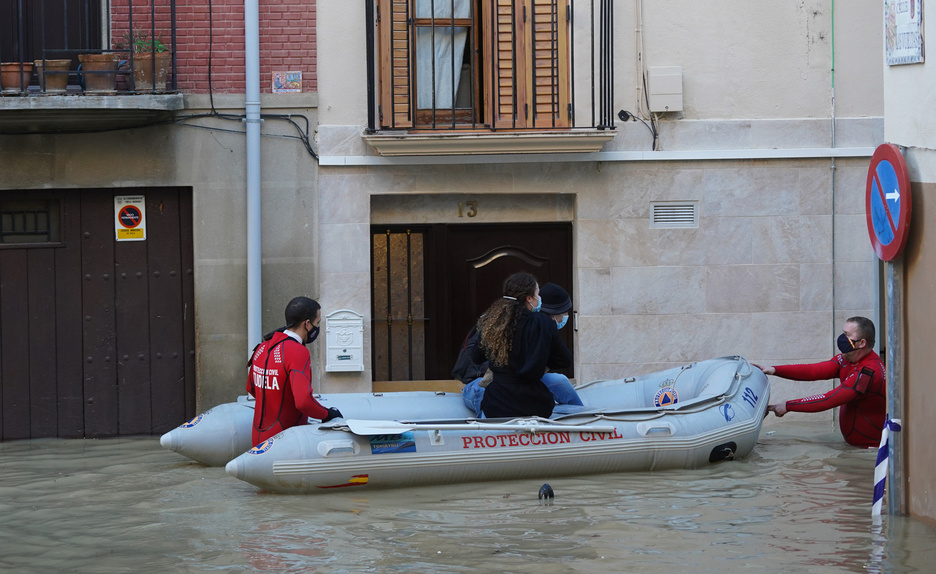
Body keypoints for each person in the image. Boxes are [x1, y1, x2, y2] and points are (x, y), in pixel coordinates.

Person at [754, 316, 886, 448]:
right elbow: (814, 370)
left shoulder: (868, 372)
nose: (841, 338)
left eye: (846, 334)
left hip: (870, 451)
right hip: (854, 447)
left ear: (861, 343)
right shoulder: (847, 359)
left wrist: (788, 406)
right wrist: (774, 370)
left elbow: (829, 399)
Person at [456, 282, 583, 417]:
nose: (564, 318)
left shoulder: (538, 326)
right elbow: (472, 359)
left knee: (559, 381)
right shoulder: (495, 322)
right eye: (562, 314)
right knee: (484, 393)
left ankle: (584, 418)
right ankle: (486, 427)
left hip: (520, 382)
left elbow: (560, 360)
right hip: (482, 380)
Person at [246, 296, 342, 445]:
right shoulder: (298, 352)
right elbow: (303, 402)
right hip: (286, 440)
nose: (318, 327)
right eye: (318, 323)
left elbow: (252, 388)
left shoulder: (262, 347)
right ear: (307, 324)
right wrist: (327, 414)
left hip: (258, 439)